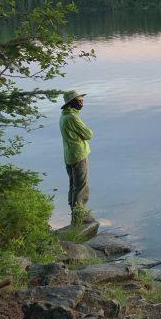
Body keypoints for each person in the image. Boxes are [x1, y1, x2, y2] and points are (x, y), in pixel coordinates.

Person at [59, 90, 93, 221]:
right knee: (81, 186)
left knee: (73, 185)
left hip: (69, 155)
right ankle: (80, 216)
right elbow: (88, 134)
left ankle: (75, 212)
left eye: (82, 101)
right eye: (79, 101)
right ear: (71, 103)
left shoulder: (64, 116)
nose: (82, 103)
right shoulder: (72, 118)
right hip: (78, 154)